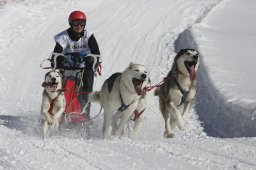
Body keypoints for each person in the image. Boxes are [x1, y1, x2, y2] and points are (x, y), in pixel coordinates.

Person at [52, 10, 101, 115]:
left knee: (87, 88)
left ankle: (85, 113)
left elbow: (96, 53)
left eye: (82, 23)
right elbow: (56, 54)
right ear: (71, 24)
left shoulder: (88, 36)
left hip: (84, 68)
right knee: (61, 88)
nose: (79, 26)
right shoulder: (64, 37)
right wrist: (59, 62)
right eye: (76, 23)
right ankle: (59, 111)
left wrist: (91, 61)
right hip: (66, 68)